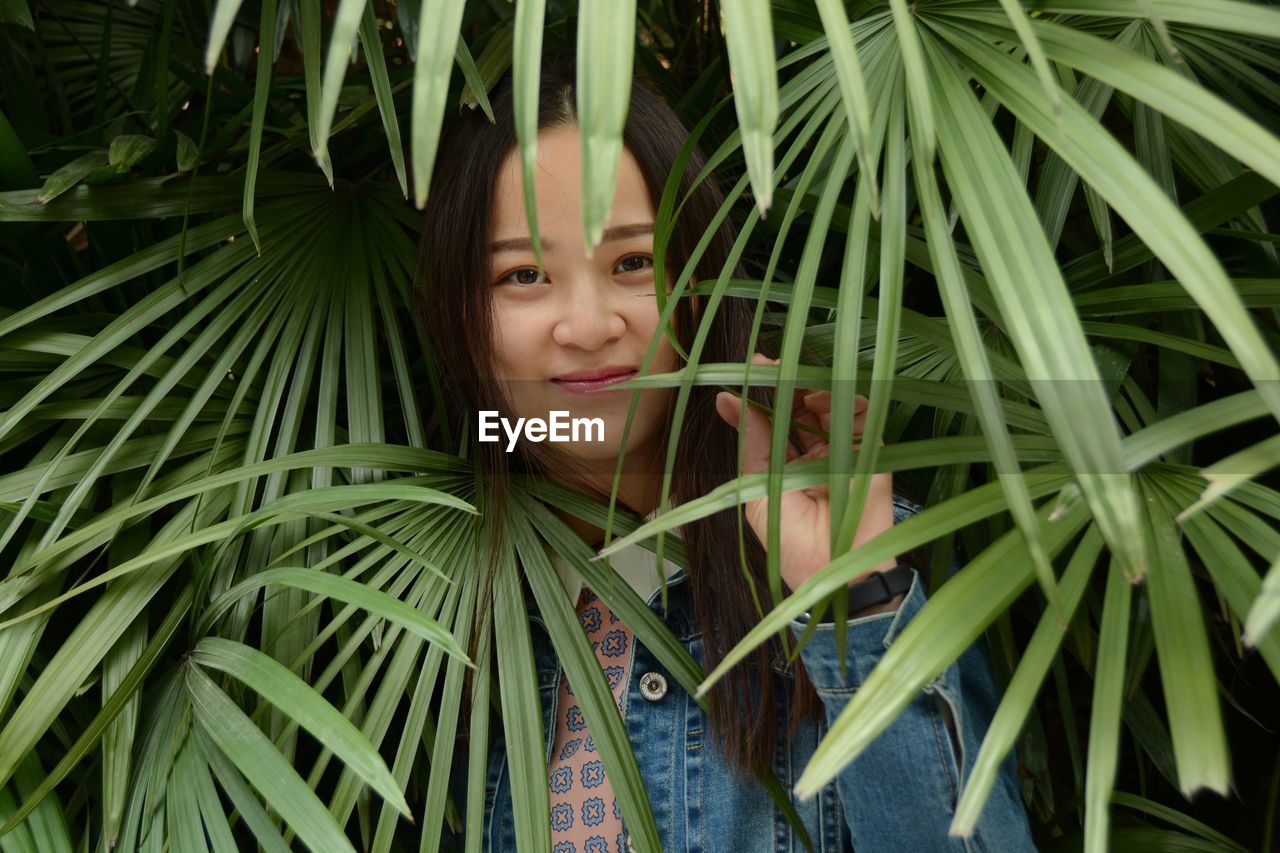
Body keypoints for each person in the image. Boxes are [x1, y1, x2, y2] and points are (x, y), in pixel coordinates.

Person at [416, 62, 1036, 852]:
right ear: (460, 308)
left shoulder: (854, 566)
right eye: (525, 274)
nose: (588, 323)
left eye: (633, 263)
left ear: (700, 281)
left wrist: (851, 598)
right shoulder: (428, 605)